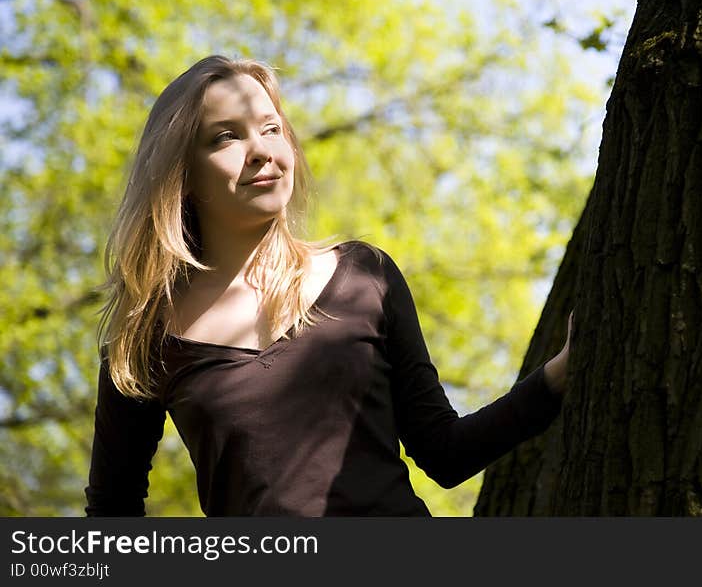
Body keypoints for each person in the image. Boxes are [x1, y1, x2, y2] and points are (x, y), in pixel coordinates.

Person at [85, 55, 572, 517]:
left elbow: (444, 452)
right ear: (183, 174)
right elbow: (112, 510)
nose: (261, 151)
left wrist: (556, 377)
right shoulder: (143, 341)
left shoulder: (365, 277)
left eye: (271, 129)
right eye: (226, 137)